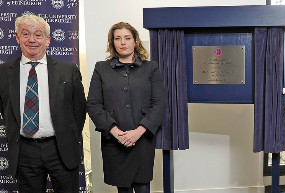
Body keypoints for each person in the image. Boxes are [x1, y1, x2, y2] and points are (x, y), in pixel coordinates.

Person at [0, 14, 86, 193]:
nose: (32, 39)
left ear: (48, 40)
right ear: (17, 37)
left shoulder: (68, 70)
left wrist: (67, 135)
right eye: (25, 34)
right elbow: (5, 109)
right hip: (25, 150)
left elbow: (79, 109)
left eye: (38, 35)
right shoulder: (3, 72)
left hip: (61, 148)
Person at [87, 22, 166, 193]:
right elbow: (93, 104)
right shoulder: (101, 68)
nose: (123, 42)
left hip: (143, 139)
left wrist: (139, 131)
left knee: (143, 186)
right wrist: (115, 131)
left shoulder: (150, 68)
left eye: (127, 38)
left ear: (135, 41)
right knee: (123, 188)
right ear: (112, 42)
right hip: (115, 140)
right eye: (118, 38)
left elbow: (159, 104)